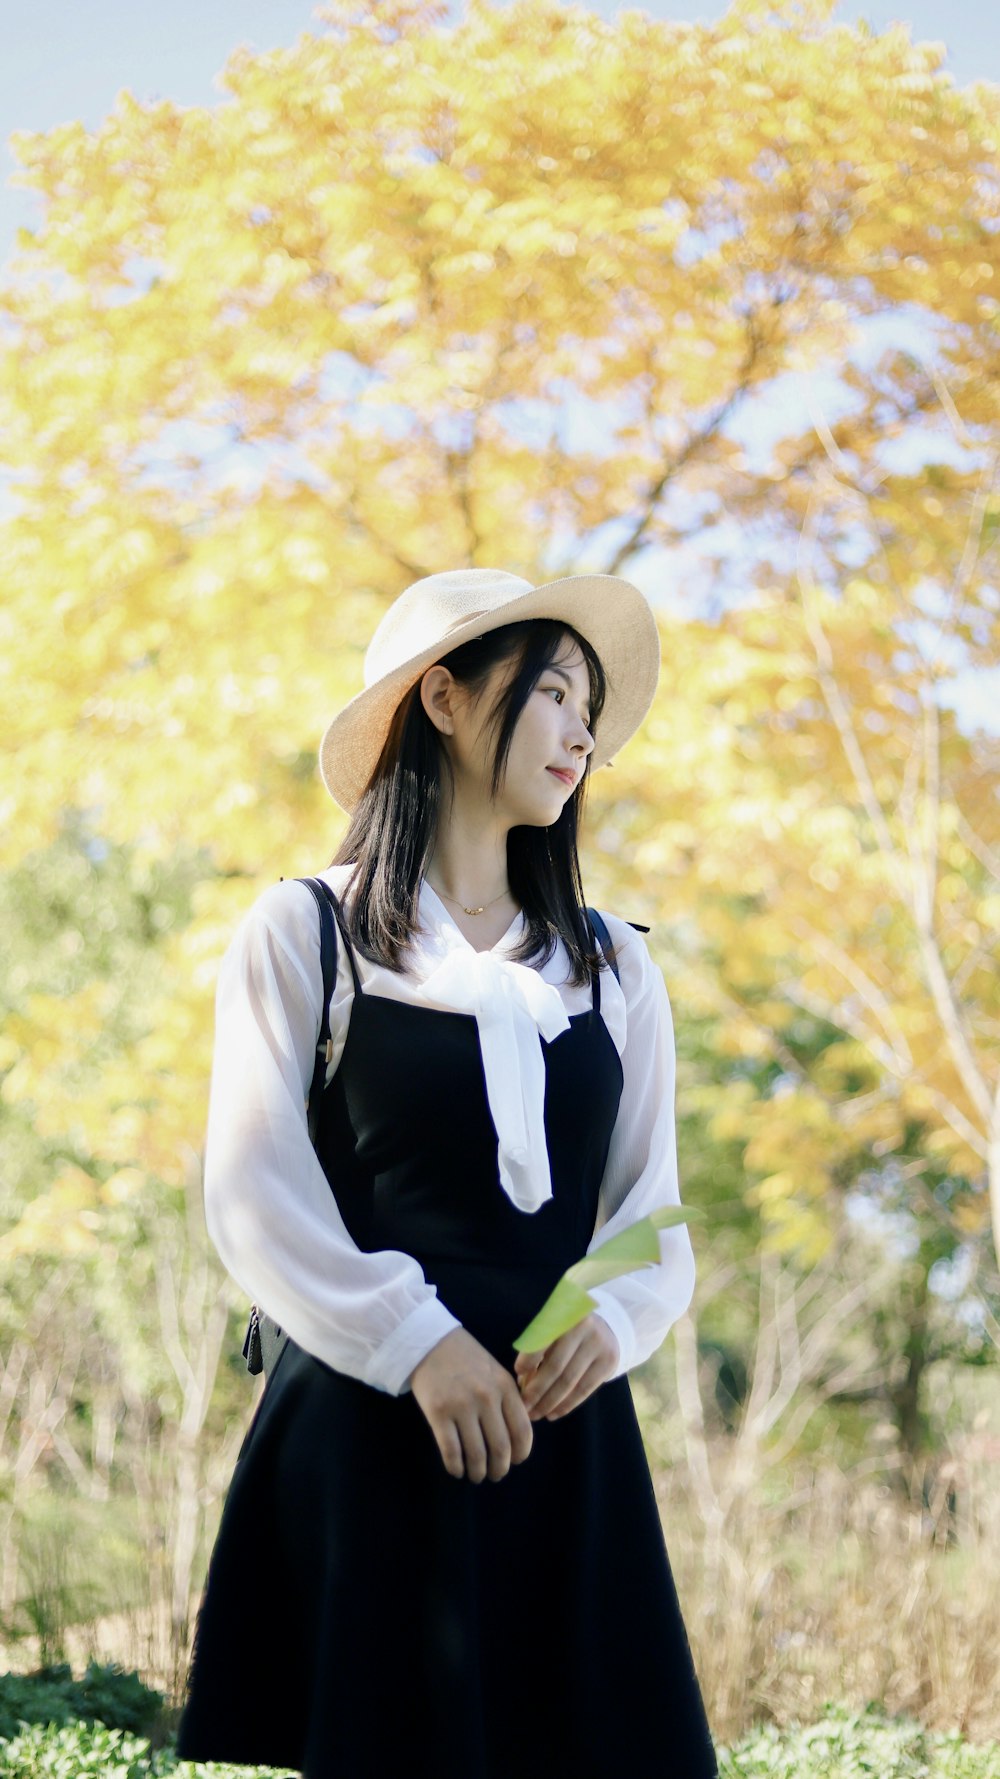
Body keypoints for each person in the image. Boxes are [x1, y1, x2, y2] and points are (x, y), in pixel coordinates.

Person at [175, 567, 718, 1779]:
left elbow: (650, 1212)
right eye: (556, 693)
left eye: (592, 708)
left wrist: (614, 1316)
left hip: (559, 1434)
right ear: (444, 698)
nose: (584, 732)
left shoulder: (616, 966)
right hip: (369, 1430)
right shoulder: (304, 932)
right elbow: (253, 1194)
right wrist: (414, 1342)